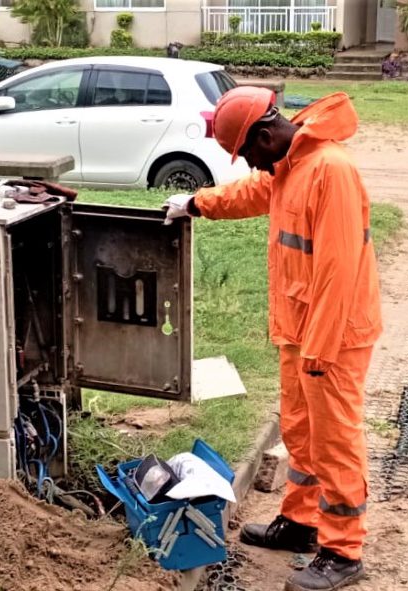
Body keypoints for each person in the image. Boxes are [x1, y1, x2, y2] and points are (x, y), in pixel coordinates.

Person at [164, 87, 382, 591]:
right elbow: (251, 193)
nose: (250, 165)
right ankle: (301, 523)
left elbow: (338, 273)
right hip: (300, 331)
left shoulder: (330, 170)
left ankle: (343, 550)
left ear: (265, 136)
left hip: (333, 337)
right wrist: (196, 203)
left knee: (334, 440)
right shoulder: (289, 165)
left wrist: (320, 350)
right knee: (301, 432)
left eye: (246, 154)